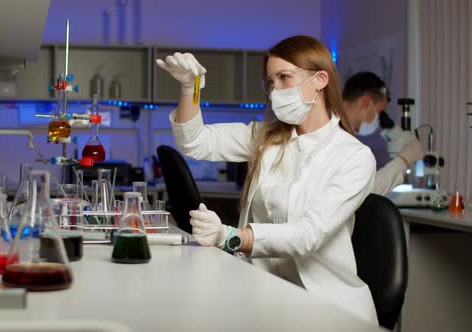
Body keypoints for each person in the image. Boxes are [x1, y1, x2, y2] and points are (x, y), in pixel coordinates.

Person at [156, 35, 378, 324]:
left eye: (284, 77)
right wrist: (190, 87)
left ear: (320, 79)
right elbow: (195, 142)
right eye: (271, 82)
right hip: (264, 292)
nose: (275, 91)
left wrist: (233, 236)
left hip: (327, 309)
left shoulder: (353, 157)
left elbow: (308, 235)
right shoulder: (266, 136)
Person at [341, 72, 424, 195]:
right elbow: (365, 192)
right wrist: (403, 160)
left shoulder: (337, 129)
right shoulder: (339, 139)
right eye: (379, 112)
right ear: (366, 103)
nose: (378, 119)